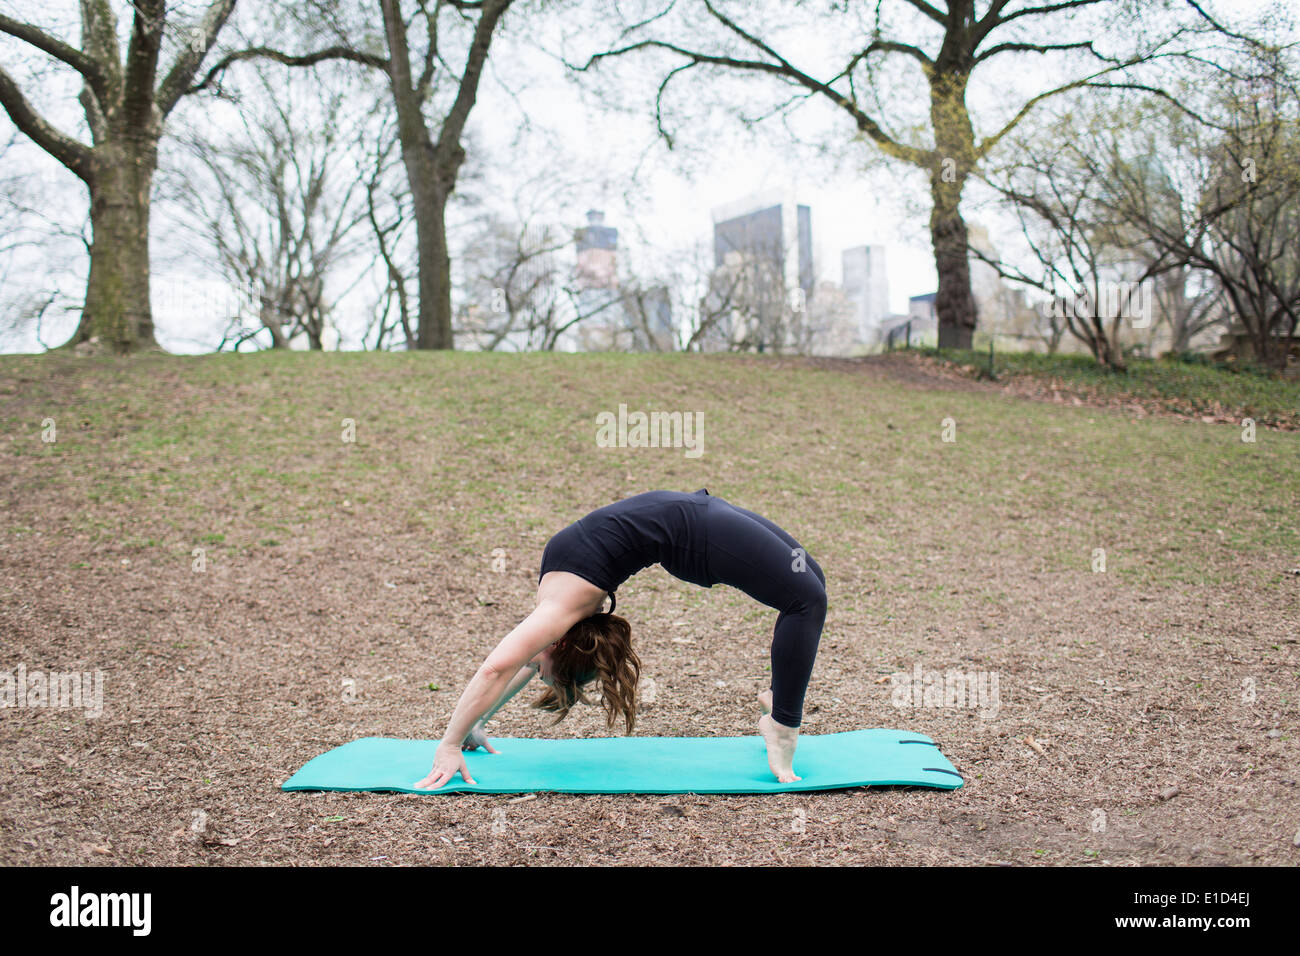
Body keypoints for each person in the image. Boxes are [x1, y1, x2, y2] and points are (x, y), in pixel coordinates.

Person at [413, 488, 827, 788]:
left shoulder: (557, 615)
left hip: (697, 521)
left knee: (812, 587)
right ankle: (783, 723)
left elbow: (498, 667)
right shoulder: (560, 615)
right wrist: (477, 721)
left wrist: (452, 741)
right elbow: (514, 666)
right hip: (696, 530)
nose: (535, 667)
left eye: (542, 671)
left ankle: (780, 706)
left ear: (557, 646)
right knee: (806, 600)